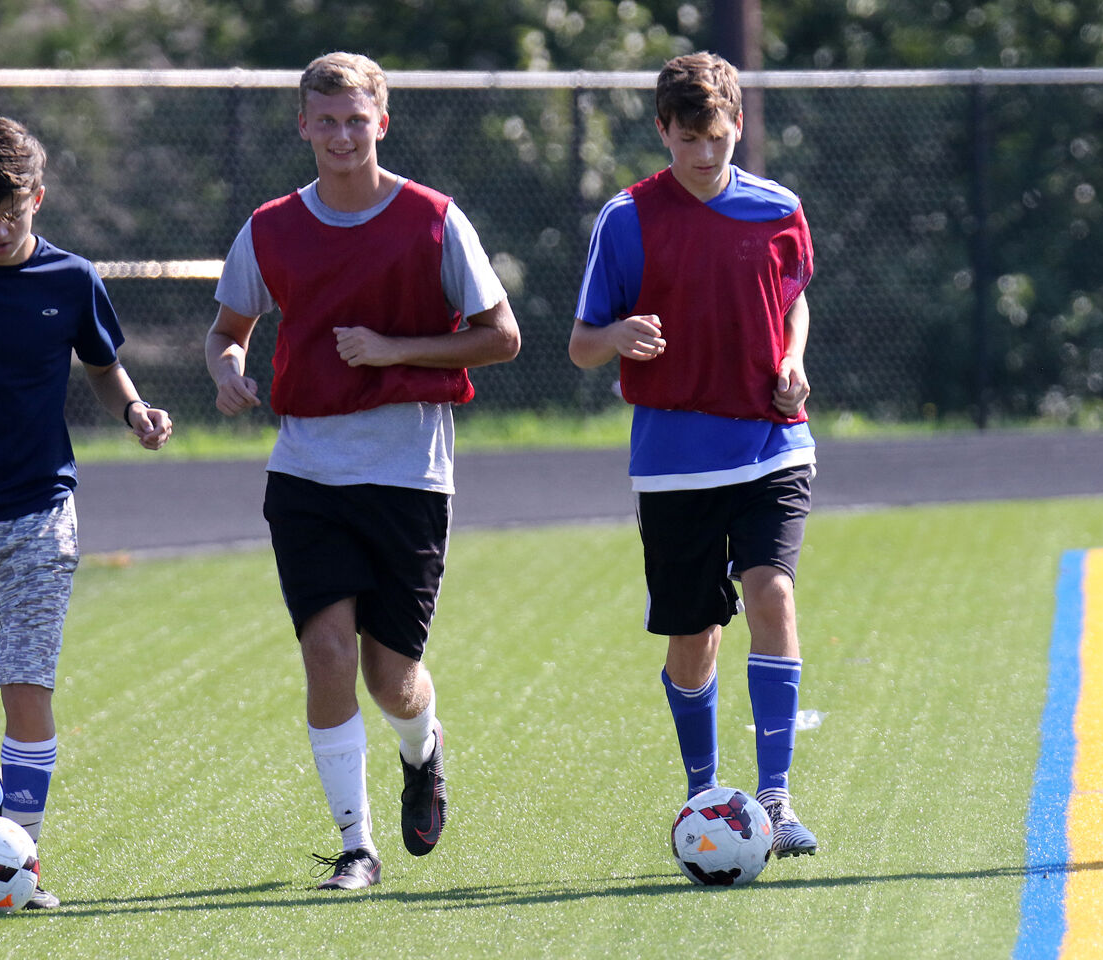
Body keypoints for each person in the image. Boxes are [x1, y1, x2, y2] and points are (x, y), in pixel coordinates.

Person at [205, 52, 519, 891]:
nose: (342, 135)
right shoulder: (269, 228)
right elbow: (228, 327)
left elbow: (502, 335)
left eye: (357, 119)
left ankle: (424, 751)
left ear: (382, 122)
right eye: (326, 120)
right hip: (306, 470)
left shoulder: (433, 219)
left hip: (410, 473)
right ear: (303, 125)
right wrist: (227, 368)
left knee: (393, 677)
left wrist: (394, 350)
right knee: (328, 652)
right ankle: (356, 846)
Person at [568, 52, 819, 859]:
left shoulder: (779, 208)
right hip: (675, 460)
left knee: (772, 593)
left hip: (771, 444)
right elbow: (579, 346)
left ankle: (775, 799)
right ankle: (705, 793)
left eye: (716, 136)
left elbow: (794, 300)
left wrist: (793, 360)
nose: (705, 155)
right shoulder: (627, 219)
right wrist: (618, 336)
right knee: (694, 632)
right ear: (662, 133)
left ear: (737, 125)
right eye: (687, 140)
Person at [0, 117, 172, 908]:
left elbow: (104, 365)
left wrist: (136, 410)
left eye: (11, 209)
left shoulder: (71, 280)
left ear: (37, 199)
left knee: (28, 685)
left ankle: (19, 861)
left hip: (40, 515)